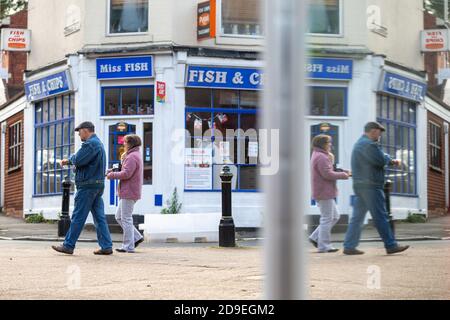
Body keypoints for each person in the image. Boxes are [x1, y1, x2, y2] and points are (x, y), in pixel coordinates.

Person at [343, 122, 409, 255]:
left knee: (357, 217)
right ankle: (391, 245)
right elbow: (379, 159)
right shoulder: (368, 145)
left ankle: (349, 246)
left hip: (360, 185)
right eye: (379, 132)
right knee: (380, 216)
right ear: (373, 131)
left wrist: (386, 158)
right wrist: (393, 160)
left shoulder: (360, 144)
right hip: (371, 185)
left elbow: (380, 157)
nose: (380, 135)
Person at [52, 121, 113, 255]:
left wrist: (68, 161)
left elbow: (78, 159)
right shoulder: (98, 143)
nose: (79, 135)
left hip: (87, 186)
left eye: (79, 132)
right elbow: (84, 162)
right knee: (99, 217)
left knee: (78, 217)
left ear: (86, 130)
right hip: (97, 185)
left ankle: (68, 245)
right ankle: (106, 246)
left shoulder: (91, 144)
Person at [309, 135, 350, 253]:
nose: (330, 145)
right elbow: (327, 174)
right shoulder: (321, 157)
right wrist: (343, 175)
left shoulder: (319, 155)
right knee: (327, 218)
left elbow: (328, 171)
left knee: (334, 216)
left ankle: (314, 237)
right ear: (322, 144)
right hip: (324, 192)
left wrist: (342, 172)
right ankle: (324, 246)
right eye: (328, 142)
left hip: (324, 191)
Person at [107, 134, 144, 253]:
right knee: (119, 217)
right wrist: (114, 170)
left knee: (126, 218)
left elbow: (126, 174)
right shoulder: (132, 155)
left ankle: (128, 246)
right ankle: (136, 237)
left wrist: (111, 175)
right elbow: (125, 170)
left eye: (125, 142)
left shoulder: (132, 156)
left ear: (131, 144)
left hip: (129, 191)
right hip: (128, 191)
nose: (123, 144)